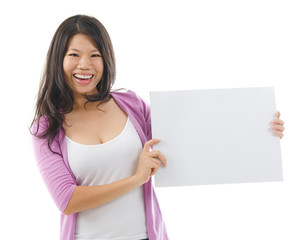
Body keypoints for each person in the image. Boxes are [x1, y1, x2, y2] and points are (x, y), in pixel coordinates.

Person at [29, 15, 285, 240]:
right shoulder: (47, 127)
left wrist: (258, 129)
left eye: (95, 55)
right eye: (74, 55)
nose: (85, 65)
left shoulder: (131, 105)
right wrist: (135, 179)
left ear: (106, 60)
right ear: (58, 59)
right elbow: (67, 200)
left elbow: (188, 142)